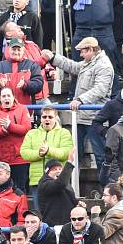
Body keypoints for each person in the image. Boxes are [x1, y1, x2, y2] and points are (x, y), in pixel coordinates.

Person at [42, 39, 113, 168]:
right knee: (75, 154)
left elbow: (100, 89)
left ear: (91, 50)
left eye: (83, 52)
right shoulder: (90, 63)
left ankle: (106, 186)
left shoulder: (104, 66)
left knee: (100, 155)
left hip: (95, 118)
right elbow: (73, 67)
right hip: (83, 116)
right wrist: (53, 58)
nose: (81, 55)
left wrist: (80, 100)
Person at [62, 0, 123, 85]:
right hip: (82, 29)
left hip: (104, 30)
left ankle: (113, 96)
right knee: (78, 64)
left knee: (110, 63)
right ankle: (75, 95)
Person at [0, 87, 31, 191]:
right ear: (0, 98)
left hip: (19, 158)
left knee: (19, 190)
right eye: (4, 96)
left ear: (13, 97)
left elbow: (26, 128)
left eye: (9, 96)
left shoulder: (23, 109)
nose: (6, 98)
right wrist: (3, 130)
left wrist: (10, 126)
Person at [36, 156, 77, 227]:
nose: (58, 171)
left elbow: (71, 199)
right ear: (47, 171)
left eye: (60, 169)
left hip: (68, 223)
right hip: (53, 225)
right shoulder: (44, 183)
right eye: (54, 169)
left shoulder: (66, 184)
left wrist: (78, 205)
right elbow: (60, 184)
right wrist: (69, 162)